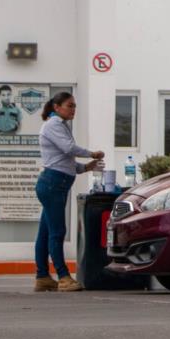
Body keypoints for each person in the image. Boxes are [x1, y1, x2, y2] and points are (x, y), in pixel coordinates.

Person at [34, 92, 104, 293]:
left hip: (56, 183)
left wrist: (86, 167)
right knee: (57, 232)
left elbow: (65, 161)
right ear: (57, 107)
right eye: (69, 105)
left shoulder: (60, 125)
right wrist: (92, 153)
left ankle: (42, 277)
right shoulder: (54, 125)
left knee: (46, 232)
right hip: (53, 184)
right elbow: (68, 148)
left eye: (74, 106)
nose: (73, 109)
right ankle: (63, 277)